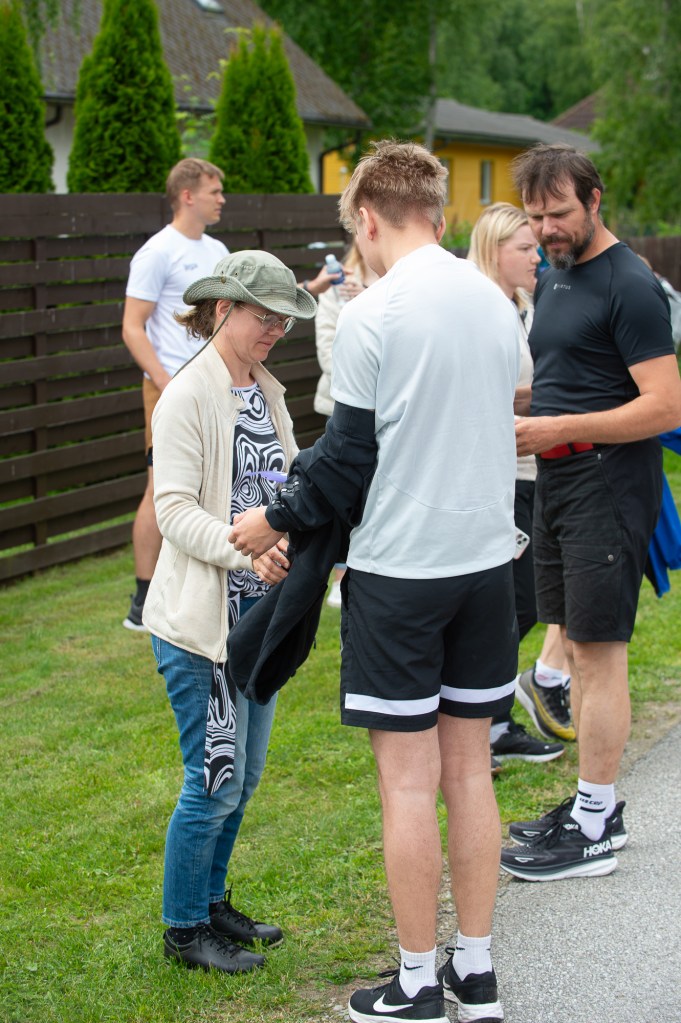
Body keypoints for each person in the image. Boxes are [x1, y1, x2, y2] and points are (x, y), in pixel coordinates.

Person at [229, 140, 520, 1023]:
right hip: (486, 565)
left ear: (364, 218)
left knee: (407, 783)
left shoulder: (372, 313)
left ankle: (418, 981)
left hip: (401, 574)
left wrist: (273, 517)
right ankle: (476, 971)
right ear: (438, 210)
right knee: (470, 772)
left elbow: (346, 458)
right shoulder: (495, 299)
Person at [500, 143, 681, 883]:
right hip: (559, 481)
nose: (547, 229)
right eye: (536, 217)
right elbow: (569, 381)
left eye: (560, 213)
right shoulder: (555, 276)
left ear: (595, 200)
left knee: (600, 654)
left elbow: (665, 406)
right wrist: (509, 401)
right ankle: (589, 805)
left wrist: (559, 427)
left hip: (609, 484)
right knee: (574, 647)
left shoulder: (629, 284)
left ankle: (597, 823)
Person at [141, 250, 317, 971]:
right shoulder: (187, 395)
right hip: (203, 629)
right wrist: (248, 554)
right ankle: (184, 931)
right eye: (263, 316)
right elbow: (173, 511)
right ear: (223, 309)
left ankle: (211, 902)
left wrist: (293, 535)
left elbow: (289, 483)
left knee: (241, 780)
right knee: (211, 783)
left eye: (284, 320)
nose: (275, 329)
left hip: (258, 622)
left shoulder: (266, 389)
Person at [468, 202, 565, 765]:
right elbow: (476, 393)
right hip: (500, 476)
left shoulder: (522, 305)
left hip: (530, 469)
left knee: (521, 602)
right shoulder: (482, 310)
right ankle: (482, 722)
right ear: (493, 250)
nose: (537, 257)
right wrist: (558, 395)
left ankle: (492, 721)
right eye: (525, 248)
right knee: (515, 602)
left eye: (536, 247)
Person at [121, 158, 228, 632]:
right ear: (187, 195)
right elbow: (132, 327)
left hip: (214, 385)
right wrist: (166, 383)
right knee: (160, 488)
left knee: (211, 486)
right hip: (168, 389)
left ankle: (195, 592)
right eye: (214, 191)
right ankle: (142, 602)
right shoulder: (156, 252)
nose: (222, 198)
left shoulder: (217, 249)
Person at [313, 241, 378, 608]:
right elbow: (329, 353)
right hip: (342, 406)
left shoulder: (400, 284)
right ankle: (339, 575)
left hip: (387, 411)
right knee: (343, 492)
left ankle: (366, 571)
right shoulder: (336, 286)